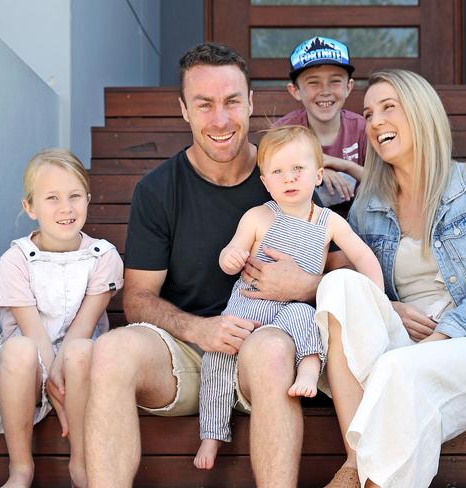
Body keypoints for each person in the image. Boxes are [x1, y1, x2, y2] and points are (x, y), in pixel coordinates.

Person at [84, 43, 328, 487]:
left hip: (262, 345)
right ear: (183, 110)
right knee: (111, 351)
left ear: (251, 102)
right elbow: (137, 298)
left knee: (273, 351)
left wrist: (308, 284)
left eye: (232, 101)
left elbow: (338, 268)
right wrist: (199, 330)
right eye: (204, 104)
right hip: (185, 352)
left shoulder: (288, 174)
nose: (220, 119)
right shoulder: (157, 190)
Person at [314, 69, 466, 488]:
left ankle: (355, 473)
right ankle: (356, 459)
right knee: (338, 286)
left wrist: (436, 340)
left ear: (422, 112)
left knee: (400, 373)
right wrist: (390, 308)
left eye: (389, 108)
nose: (375, 122)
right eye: (369, 114)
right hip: (402, 346)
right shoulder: (368, 205)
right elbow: (367, 291)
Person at [195, 125, 383, 470]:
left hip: (288, 315)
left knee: (305, 317)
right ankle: (212, 432)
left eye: (298, 169)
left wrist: (377, 296)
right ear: (265, 181)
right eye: (278, 172)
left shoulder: (329, 222)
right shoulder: (258, 217)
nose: (289, 178)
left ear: (318, 175)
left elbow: (363, 255)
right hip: (246, 311)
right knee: (215, 360)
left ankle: (309, 372)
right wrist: (231, 257)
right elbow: (231, 251)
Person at [0, 149, 123, 488]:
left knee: (80, 352)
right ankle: (21, 468)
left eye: (75, 196)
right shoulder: (16, 260)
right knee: (18, 349)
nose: (66, 208)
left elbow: (83, 328)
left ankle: (81, 462)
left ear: (88, 200)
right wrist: (52, 385)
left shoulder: (103, 257)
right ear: (30, 207)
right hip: (28, 359)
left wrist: (60, 380)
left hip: (79, 355)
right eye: (52, 198)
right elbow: (33, 333)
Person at [275, 36, 367, 211]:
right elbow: (274, 179)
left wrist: (341, 165)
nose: (325, 91)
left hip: (357, 224)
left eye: (335, 81)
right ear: (295, 91)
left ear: (349, 86)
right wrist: (318, 172)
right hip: (302, 222)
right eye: (313, 83)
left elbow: (384, 183)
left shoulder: (362, 129)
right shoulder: (283, 131)